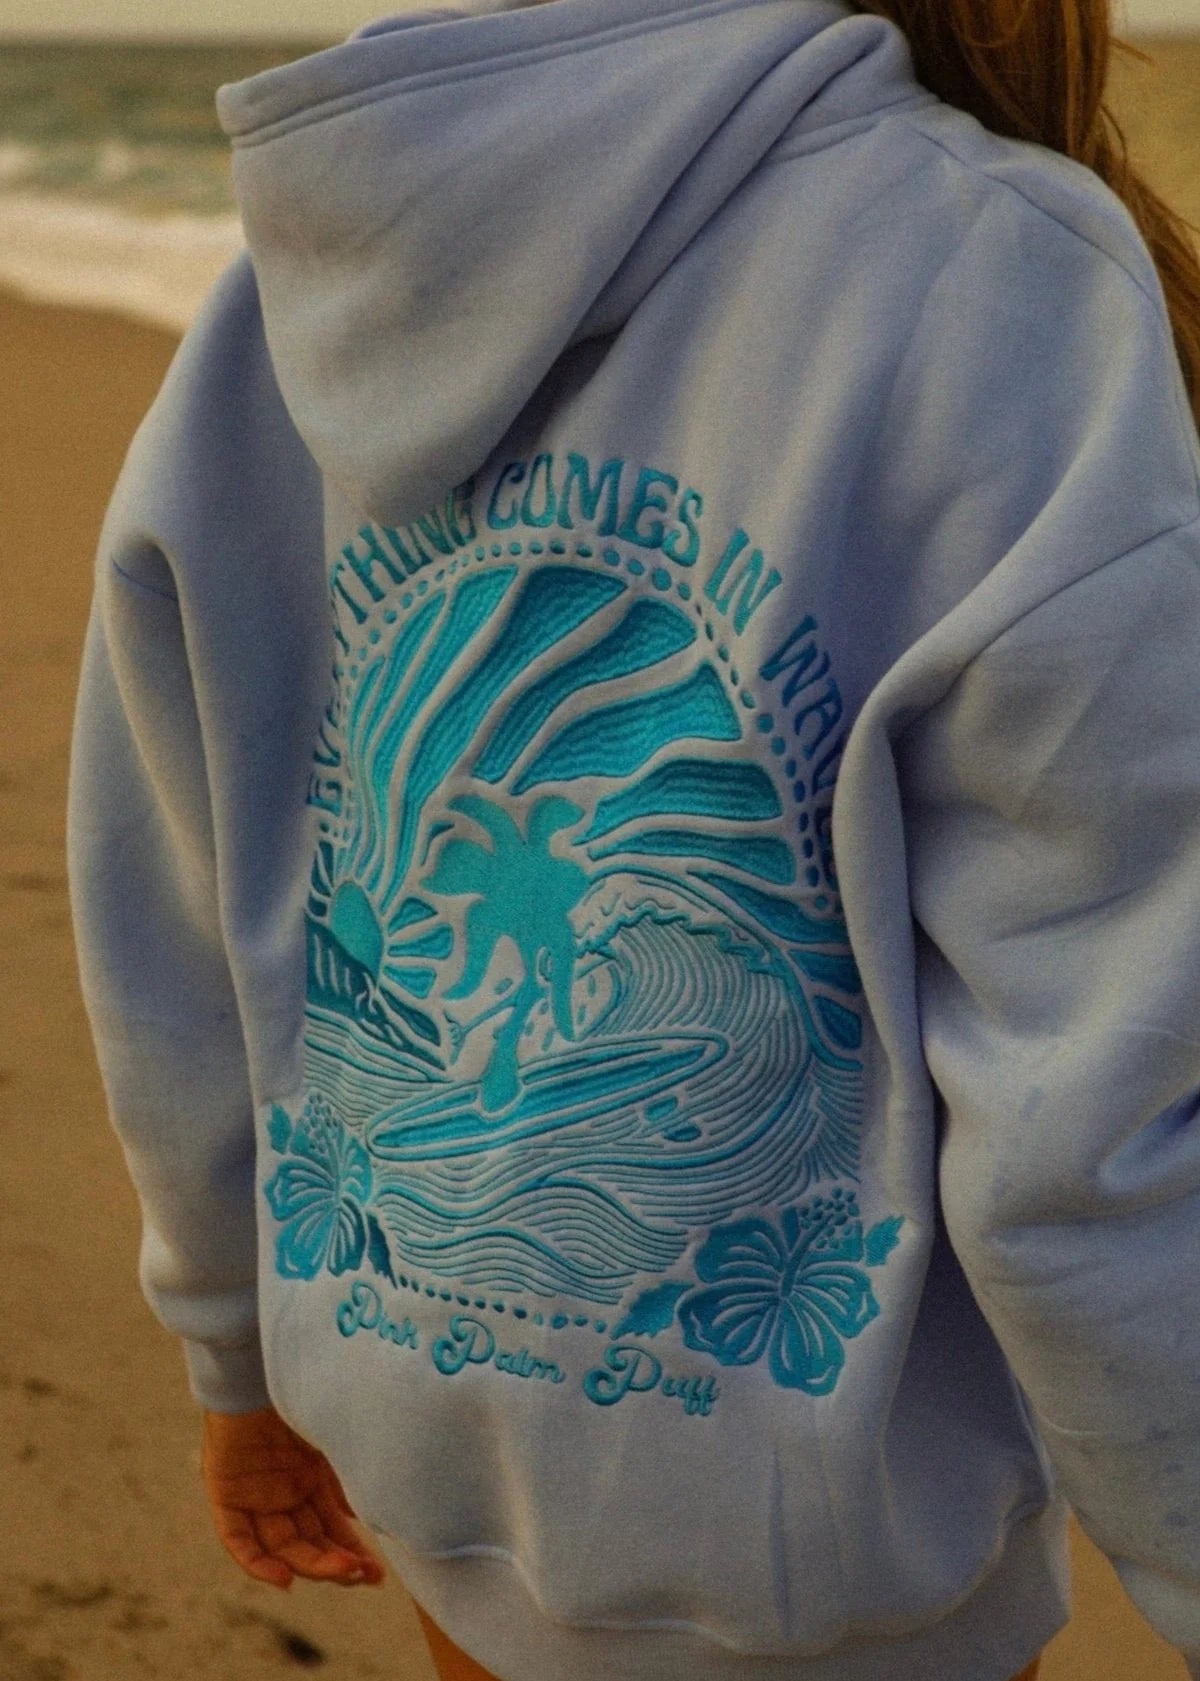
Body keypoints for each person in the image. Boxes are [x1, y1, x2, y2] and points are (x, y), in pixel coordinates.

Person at [65, 0, 1200, 1677]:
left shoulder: (309, 272)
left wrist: (235, 1344)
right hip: (829, 1562)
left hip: (425, 1441)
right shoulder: (1003, 276)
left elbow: (175, 917)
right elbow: (1093, 1107)